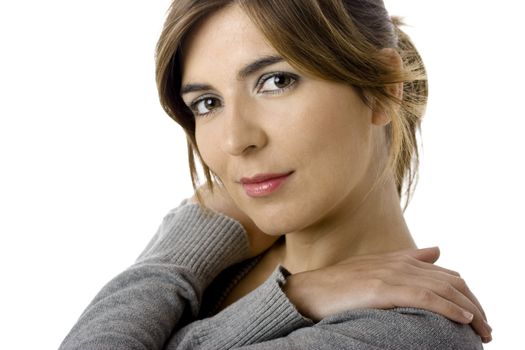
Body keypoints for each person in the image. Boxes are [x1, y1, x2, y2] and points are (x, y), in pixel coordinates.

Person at [60, 0, 492, 348]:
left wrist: (282, 300)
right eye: (208, 103)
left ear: (383, 86)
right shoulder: (221, 251)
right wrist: (297, 292)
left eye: (276, 81)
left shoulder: (412, 334)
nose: (235, 140)